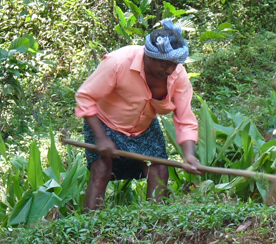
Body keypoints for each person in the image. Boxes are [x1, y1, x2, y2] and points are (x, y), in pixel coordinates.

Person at [75, 19, 203, 211]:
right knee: (101, 169)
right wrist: (101, 138)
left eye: (173, 65)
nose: (168, 70)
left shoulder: (178, 76)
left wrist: (189, 156)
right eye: (163, 64)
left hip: (144, 127)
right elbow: (85, 97)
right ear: (148, 57)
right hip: (105, 123)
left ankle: (154, 225)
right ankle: (90, 229)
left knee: (160, 169)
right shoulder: (118, 62)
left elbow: (185, 118)